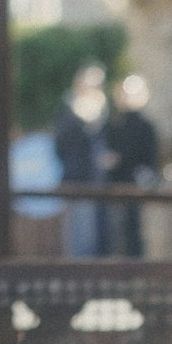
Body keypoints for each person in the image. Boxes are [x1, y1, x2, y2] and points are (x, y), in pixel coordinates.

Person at [51, 60, 109, 256]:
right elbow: (62, 146)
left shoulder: (101, 111)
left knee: (95, 236)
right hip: (77, 180)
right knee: (80, 237)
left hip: (98, 182)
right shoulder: (69, 111)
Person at [103, 71, 159, 256]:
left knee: (133, 230)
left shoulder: (144, 126)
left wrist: (121, 158)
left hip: (135, 185)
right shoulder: (113, 123)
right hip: (115, 185)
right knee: (115, 232)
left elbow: (147, 156)